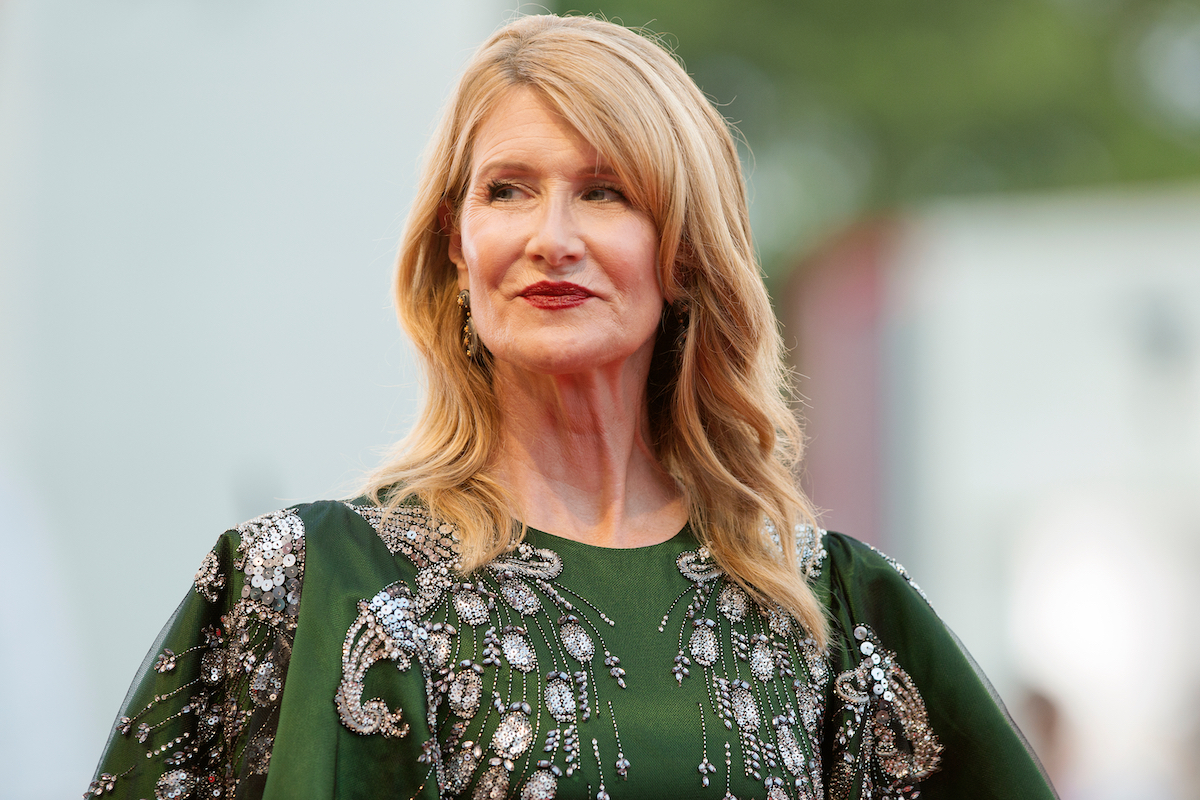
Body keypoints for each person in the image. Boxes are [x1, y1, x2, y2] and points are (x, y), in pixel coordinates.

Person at [87, 14, 1057, 800]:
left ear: (682, 252)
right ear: (457, 247)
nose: (551, 236)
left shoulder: (828, 605)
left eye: (603, 192)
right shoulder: (306, 582)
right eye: (507, 190)